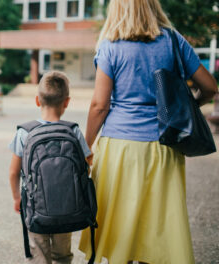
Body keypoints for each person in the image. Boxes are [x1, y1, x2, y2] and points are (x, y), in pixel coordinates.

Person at [78, 0, 218, 264]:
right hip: (163, 146)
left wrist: (85, 146)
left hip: (119, 148)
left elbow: (99, 105)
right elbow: (210, 87)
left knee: (121, 222)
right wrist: (185, 108)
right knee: (155, 225)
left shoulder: (110, 45)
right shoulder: (173, 40)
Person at [8, 71, 93, 263]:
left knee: (39, 255)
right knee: (62, 255)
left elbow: (13, 172)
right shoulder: (73, 131)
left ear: (37, 100)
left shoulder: (25, 133)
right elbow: (86, 165)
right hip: (68, 208)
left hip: (35, 208)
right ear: (67, 102)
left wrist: (16, 198)